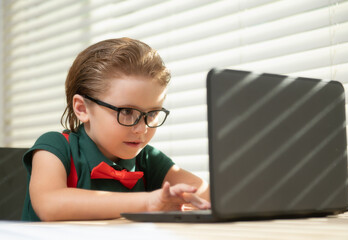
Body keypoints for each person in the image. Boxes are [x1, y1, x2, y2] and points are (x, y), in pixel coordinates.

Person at [21, 37, 210, 221]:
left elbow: (205, 194)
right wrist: (148, 202)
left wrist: (186, 198)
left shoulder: (147, 159)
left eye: (152, 114)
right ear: (82, 108)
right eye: (127, 111)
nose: (142, 129)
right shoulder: (55, 147)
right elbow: (50, 204)